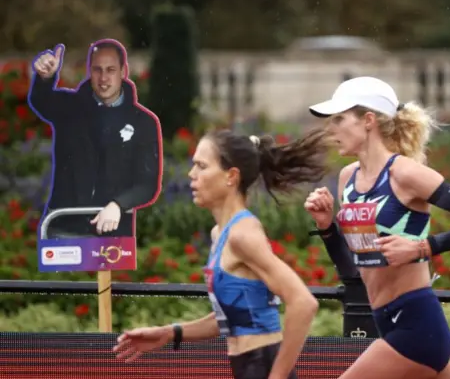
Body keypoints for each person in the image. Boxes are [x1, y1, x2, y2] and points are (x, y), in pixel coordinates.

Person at [304, 76, 450, 379]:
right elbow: (354, 272)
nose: (330, 128)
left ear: (368, 120)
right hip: (387, 321)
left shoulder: (406, 174)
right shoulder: (348, 180)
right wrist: (326, 227)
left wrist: (422, 248)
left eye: (339, 119)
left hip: (417, 327)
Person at [114, 128, 333, 379]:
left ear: (231, 176)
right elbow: (233, 316)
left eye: (202, 166)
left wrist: (278, 376)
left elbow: (304, 303)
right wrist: (170, 332)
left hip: (263, 366)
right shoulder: (221, 234)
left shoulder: (243, 235)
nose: (191, 174)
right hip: (248, 367)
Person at [29, 40, 162, 239]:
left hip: (112, 232)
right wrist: (45, 78)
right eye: (97, 70)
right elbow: (40, 100)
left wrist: (118, 204)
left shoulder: (144, 122)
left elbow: (147, 184)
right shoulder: (69, 108)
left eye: (110, 70)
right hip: (62, 227)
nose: (103, 78)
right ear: (89, 71)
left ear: (123, 71)